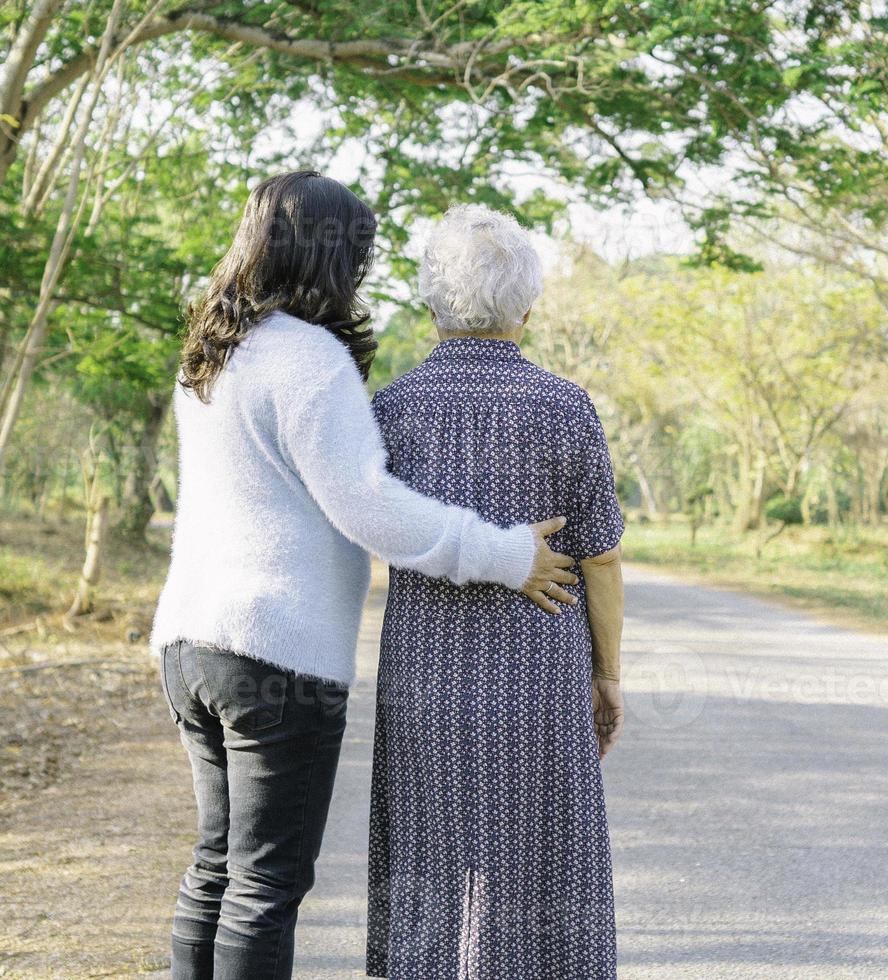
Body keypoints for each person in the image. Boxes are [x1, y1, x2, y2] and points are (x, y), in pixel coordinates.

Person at [151, 171, 579, 980]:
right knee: (264, 886)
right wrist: (504, 554)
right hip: (275, 654)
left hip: (189, 644)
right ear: (329, 256)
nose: (364, 274)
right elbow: (368, 506)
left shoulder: (211, 352)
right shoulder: (308, 359)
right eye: (359, 255)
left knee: (216, 868)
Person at [366, 205, 625, 979]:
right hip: (540, 681)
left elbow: (372, 530)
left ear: (430, 305)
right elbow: (601, 559)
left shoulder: (392, 409)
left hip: (424, 680)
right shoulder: (566, 407)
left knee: (434, 855)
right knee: (545, 853)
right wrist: (607, 676)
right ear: (528, 307)